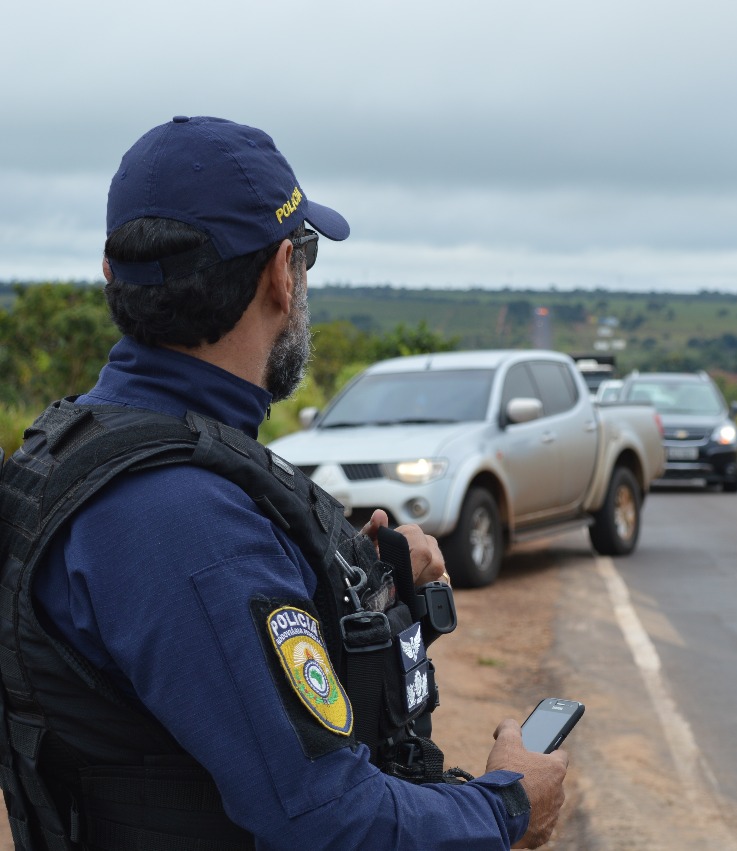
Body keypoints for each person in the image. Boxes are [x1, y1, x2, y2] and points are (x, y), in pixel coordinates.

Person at [0, 116, 567, 849]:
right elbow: (330, 821)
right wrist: (507, 808)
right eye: (306, 259)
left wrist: (366, 597)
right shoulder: (184, 515)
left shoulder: (88, 447)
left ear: (115, 274)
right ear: (279, 272)